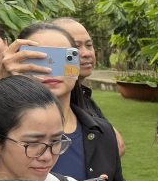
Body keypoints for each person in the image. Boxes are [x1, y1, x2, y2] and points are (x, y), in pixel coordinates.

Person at [2, 22, 132, 181]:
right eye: (40, 59)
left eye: (64, 58)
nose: (53, 70)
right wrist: (1, 82)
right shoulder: (3, 134)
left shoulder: (101, 132)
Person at [52, 15, 127, 158]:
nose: (86, 53)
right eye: (75, 47)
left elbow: (118, 145)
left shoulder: (82, 94)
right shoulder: (53, 98)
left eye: (89, 45)